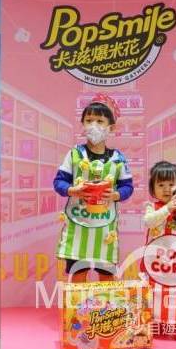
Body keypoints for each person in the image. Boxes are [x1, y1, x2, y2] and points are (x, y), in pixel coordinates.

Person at [53, 93, 133, 283]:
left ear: (111, 127)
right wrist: (72, 190)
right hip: (78, 224)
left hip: (105, 228)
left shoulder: (118, 158)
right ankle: (78, 303)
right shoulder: (74, 154)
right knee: (78, 272)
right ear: (82, 124)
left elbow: (128, 186)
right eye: (89, 120)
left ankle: (106, 303)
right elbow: (59, 182)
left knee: (106, 274)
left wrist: (116, 194)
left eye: (100, 121)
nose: (94, 125)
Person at [142, 161, 176, 340]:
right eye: (160, 185)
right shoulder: (152, 207)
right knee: (154, 294)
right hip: (156, 264)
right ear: (153, 188)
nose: (166, 189)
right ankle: (156, 324)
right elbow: (149, 221)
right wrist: (168, 208)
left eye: (171, 184)